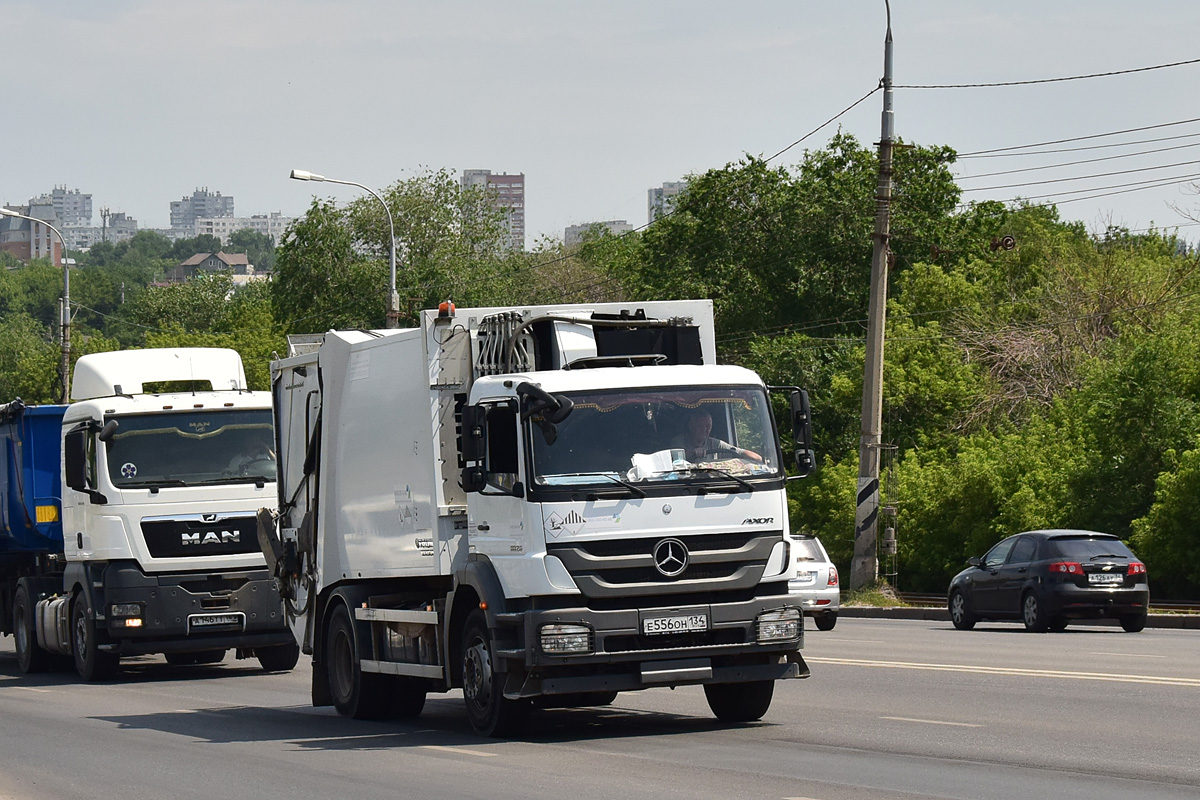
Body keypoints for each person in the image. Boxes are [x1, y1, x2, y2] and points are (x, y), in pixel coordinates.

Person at [671, 409, 762, 463]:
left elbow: (739, 452)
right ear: (691, 426)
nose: (704, 430)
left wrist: (757, 459)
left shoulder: (716, 444)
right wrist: (694, 453)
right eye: (700, 426)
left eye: (708, 426)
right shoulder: (679, 441)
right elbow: (676, 459)